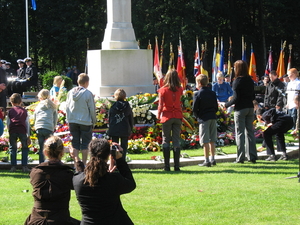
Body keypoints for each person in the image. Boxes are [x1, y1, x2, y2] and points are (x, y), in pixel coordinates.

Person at [73, 139, 136, 225]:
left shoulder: (77, 181)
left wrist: (77, 159)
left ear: (90, 153)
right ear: (108, 154)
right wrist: (120, 159)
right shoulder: (113, 180)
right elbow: (130, 184)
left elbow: (82, 175)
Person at [24, 136, 80, 225]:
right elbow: (83, 182)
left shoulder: (35, 173)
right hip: (60, 220)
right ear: (62, 153)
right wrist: (76, 159)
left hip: (36, 220)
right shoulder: (66, 174)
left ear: (45, 152)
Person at [225, 60, 257, 163]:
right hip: (250, 107)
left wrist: (226, 105)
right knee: (250, 132)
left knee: (240, 133)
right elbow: (253, 96)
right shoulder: (250, 80)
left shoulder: (237, 81)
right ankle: (252, 156)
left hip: (240, 109)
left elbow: (236, 98)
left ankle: (240, 157)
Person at [66, 73, 96, 165]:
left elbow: (67, 107)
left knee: (75, 143)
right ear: (87, 82)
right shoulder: (88, 93)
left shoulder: (70, 92)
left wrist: (68, 119)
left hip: (72, 120)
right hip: (85, 121)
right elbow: (92, 109)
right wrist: (93, 121)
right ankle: (83, 163)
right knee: (85, 143)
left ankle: (76, 163)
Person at [157, 69, 183, 171]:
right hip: (177, 115)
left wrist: (158, 115)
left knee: (166, 140)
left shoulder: (162, 90)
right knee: (176, 140)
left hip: (167, 116)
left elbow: (160, 105)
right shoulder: (180, 89)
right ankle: (177, 166)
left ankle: (166, 166)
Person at [193, 74, 218, 167]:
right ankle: (213, 159)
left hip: (204, 118)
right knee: (212, 140)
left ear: (199, 83)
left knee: (205, 140)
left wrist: (197, 117)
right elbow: (216, 106)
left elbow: (195, 109)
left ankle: (206, 160)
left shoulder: (197, 94)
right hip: (213, 116)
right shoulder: (212, 93)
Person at [7, 93, 31, 172]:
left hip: (13, 130)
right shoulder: (24, 111)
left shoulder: (10, 111)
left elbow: (8, 123)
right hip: (22, 130)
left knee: (13, 149)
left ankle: (13, 166)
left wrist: (9, 131)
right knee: (24, 148)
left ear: (11, 102)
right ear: (21, 101)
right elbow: (27, 123)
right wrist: (28, 135)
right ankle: (24, 166)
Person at [108, 88, 134, 160]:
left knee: (114, 146)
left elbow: (110, 118)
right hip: (125, 128)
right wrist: (131, 128)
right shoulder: (127, 106)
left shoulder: (113, 106)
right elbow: (130, 117)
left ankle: (114, 161)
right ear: (124, 96)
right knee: (124, 147)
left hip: (114, 128)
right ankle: (122, 160)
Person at [33, 89, 58, 163]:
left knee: (41, 148)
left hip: (39, 127)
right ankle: (50, 162)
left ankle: (41, 163)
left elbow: (35, 116)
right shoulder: (52, 105)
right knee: (50, 147)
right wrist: (53, 126)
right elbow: (55, 118)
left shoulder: (38, 105)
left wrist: (35, 125)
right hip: (48, 127)